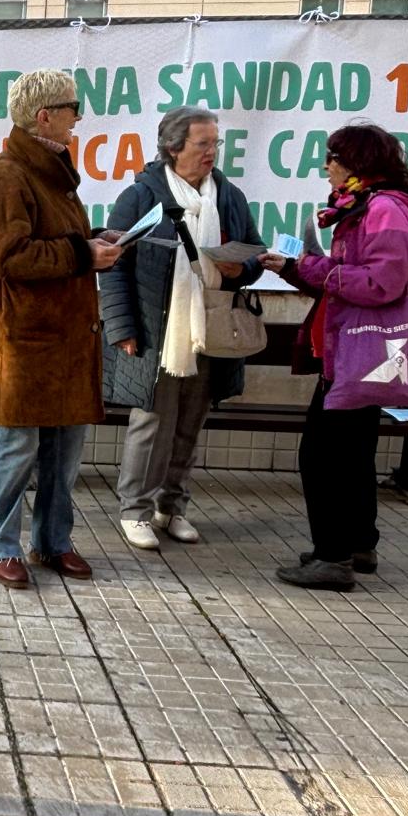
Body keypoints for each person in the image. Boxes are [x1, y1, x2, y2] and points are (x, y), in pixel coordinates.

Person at [259, 124, 408, 590]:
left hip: (359, 354)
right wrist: (296, 268)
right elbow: (344, 277)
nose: (326, 167)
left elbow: (381, 283)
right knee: (354, 453)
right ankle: (358, 543)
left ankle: (331, 557)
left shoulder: (384, 211)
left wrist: (312, 267)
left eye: (333, 158)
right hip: (349, 350)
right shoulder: (370, 207)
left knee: (323, 456)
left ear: (357, 164)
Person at [0, 68, 123, 589]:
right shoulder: (5, 177)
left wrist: (94, 240)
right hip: (22, 344)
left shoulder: (51, 173)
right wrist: (83, 254)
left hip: (64, 342)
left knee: (63, 452)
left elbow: (55, 244)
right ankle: (0, 545)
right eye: (73, 108)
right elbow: (5, 255)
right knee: (16, 450)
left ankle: (53, 541)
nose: (79, 118)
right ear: (45, 115)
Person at [102, 107, 264, 550]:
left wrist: (242, 267)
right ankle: (134, 510)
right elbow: (114, 265)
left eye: (216, 144)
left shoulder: (227, 195)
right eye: (203, 144)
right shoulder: (140, 196)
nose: (212, 152)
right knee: (151, 420)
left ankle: (171, 508)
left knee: (191, 422)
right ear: (174, 148)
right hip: (157, 329)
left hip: (211, 326)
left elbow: (253, 253)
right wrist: (122, 327)